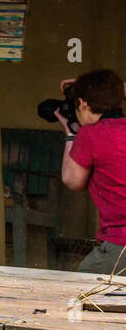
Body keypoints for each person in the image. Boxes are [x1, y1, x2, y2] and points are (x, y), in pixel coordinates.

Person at [56, 69, 126, 275]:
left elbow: (72, 180)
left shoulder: (90, 134)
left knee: (78, 293)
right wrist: (109, 90)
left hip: (120, 245)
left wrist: (70, 134)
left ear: (83, 104)